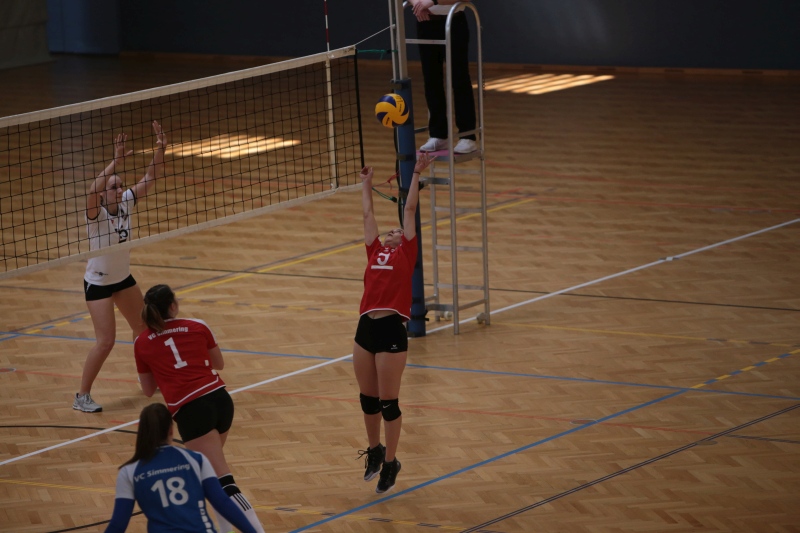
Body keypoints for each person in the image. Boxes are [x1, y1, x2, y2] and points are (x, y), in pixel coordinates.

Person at [134, 284, 265, 533]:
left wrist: (163, 369)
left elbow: (148, 390)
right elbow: (219, 363)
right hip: (221, 400)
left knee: (223, 481)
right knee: (209, 478)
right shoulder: (198, 325)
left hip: (192, 410)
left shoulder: (141, 342)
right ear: (173, 306)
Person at [353, 153, 434, 494]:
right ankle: (375, 451)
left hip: (391, 331)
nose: (392, 232)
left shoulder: (407, 253)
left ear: (405, 239)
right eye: (390, 231)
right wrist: (366, 184)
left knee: (389, 403)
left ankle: (391, 463)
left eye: (397, 231)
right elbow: (367, 215)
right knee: (367, 399)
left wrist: (416, 173)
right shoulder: (374, 251)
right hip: (365, 329)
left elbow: (410, 210)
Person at [74, 120, 167, 413]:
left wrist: (161, 149)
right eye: (113, 186)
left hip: (123, 279)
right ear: (104, 193)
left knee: (144, 329)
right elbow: (92, 190)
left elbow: (151, 176)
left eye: (120, 185)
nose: (119, 189)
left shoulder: (127, 201)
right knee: (106, 342)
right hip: (99, 283)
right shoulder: (95, 214)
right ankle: (82, 396)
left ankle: (148, 378)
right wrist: (114, 161)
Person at [105, 403, 257, 533]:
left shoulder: (129, 472)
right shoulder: (195, 459)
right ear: (171, 430)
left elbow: (118, 525)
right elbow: (222, 502)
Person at [410, 0, 478, 154]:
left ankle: (467, 136)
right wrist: (417, 5)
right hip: (426, 22)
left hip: (453, 21)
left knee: (459, 78)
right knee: (431, 79)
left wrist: (432, 1)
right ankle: (438, 135)